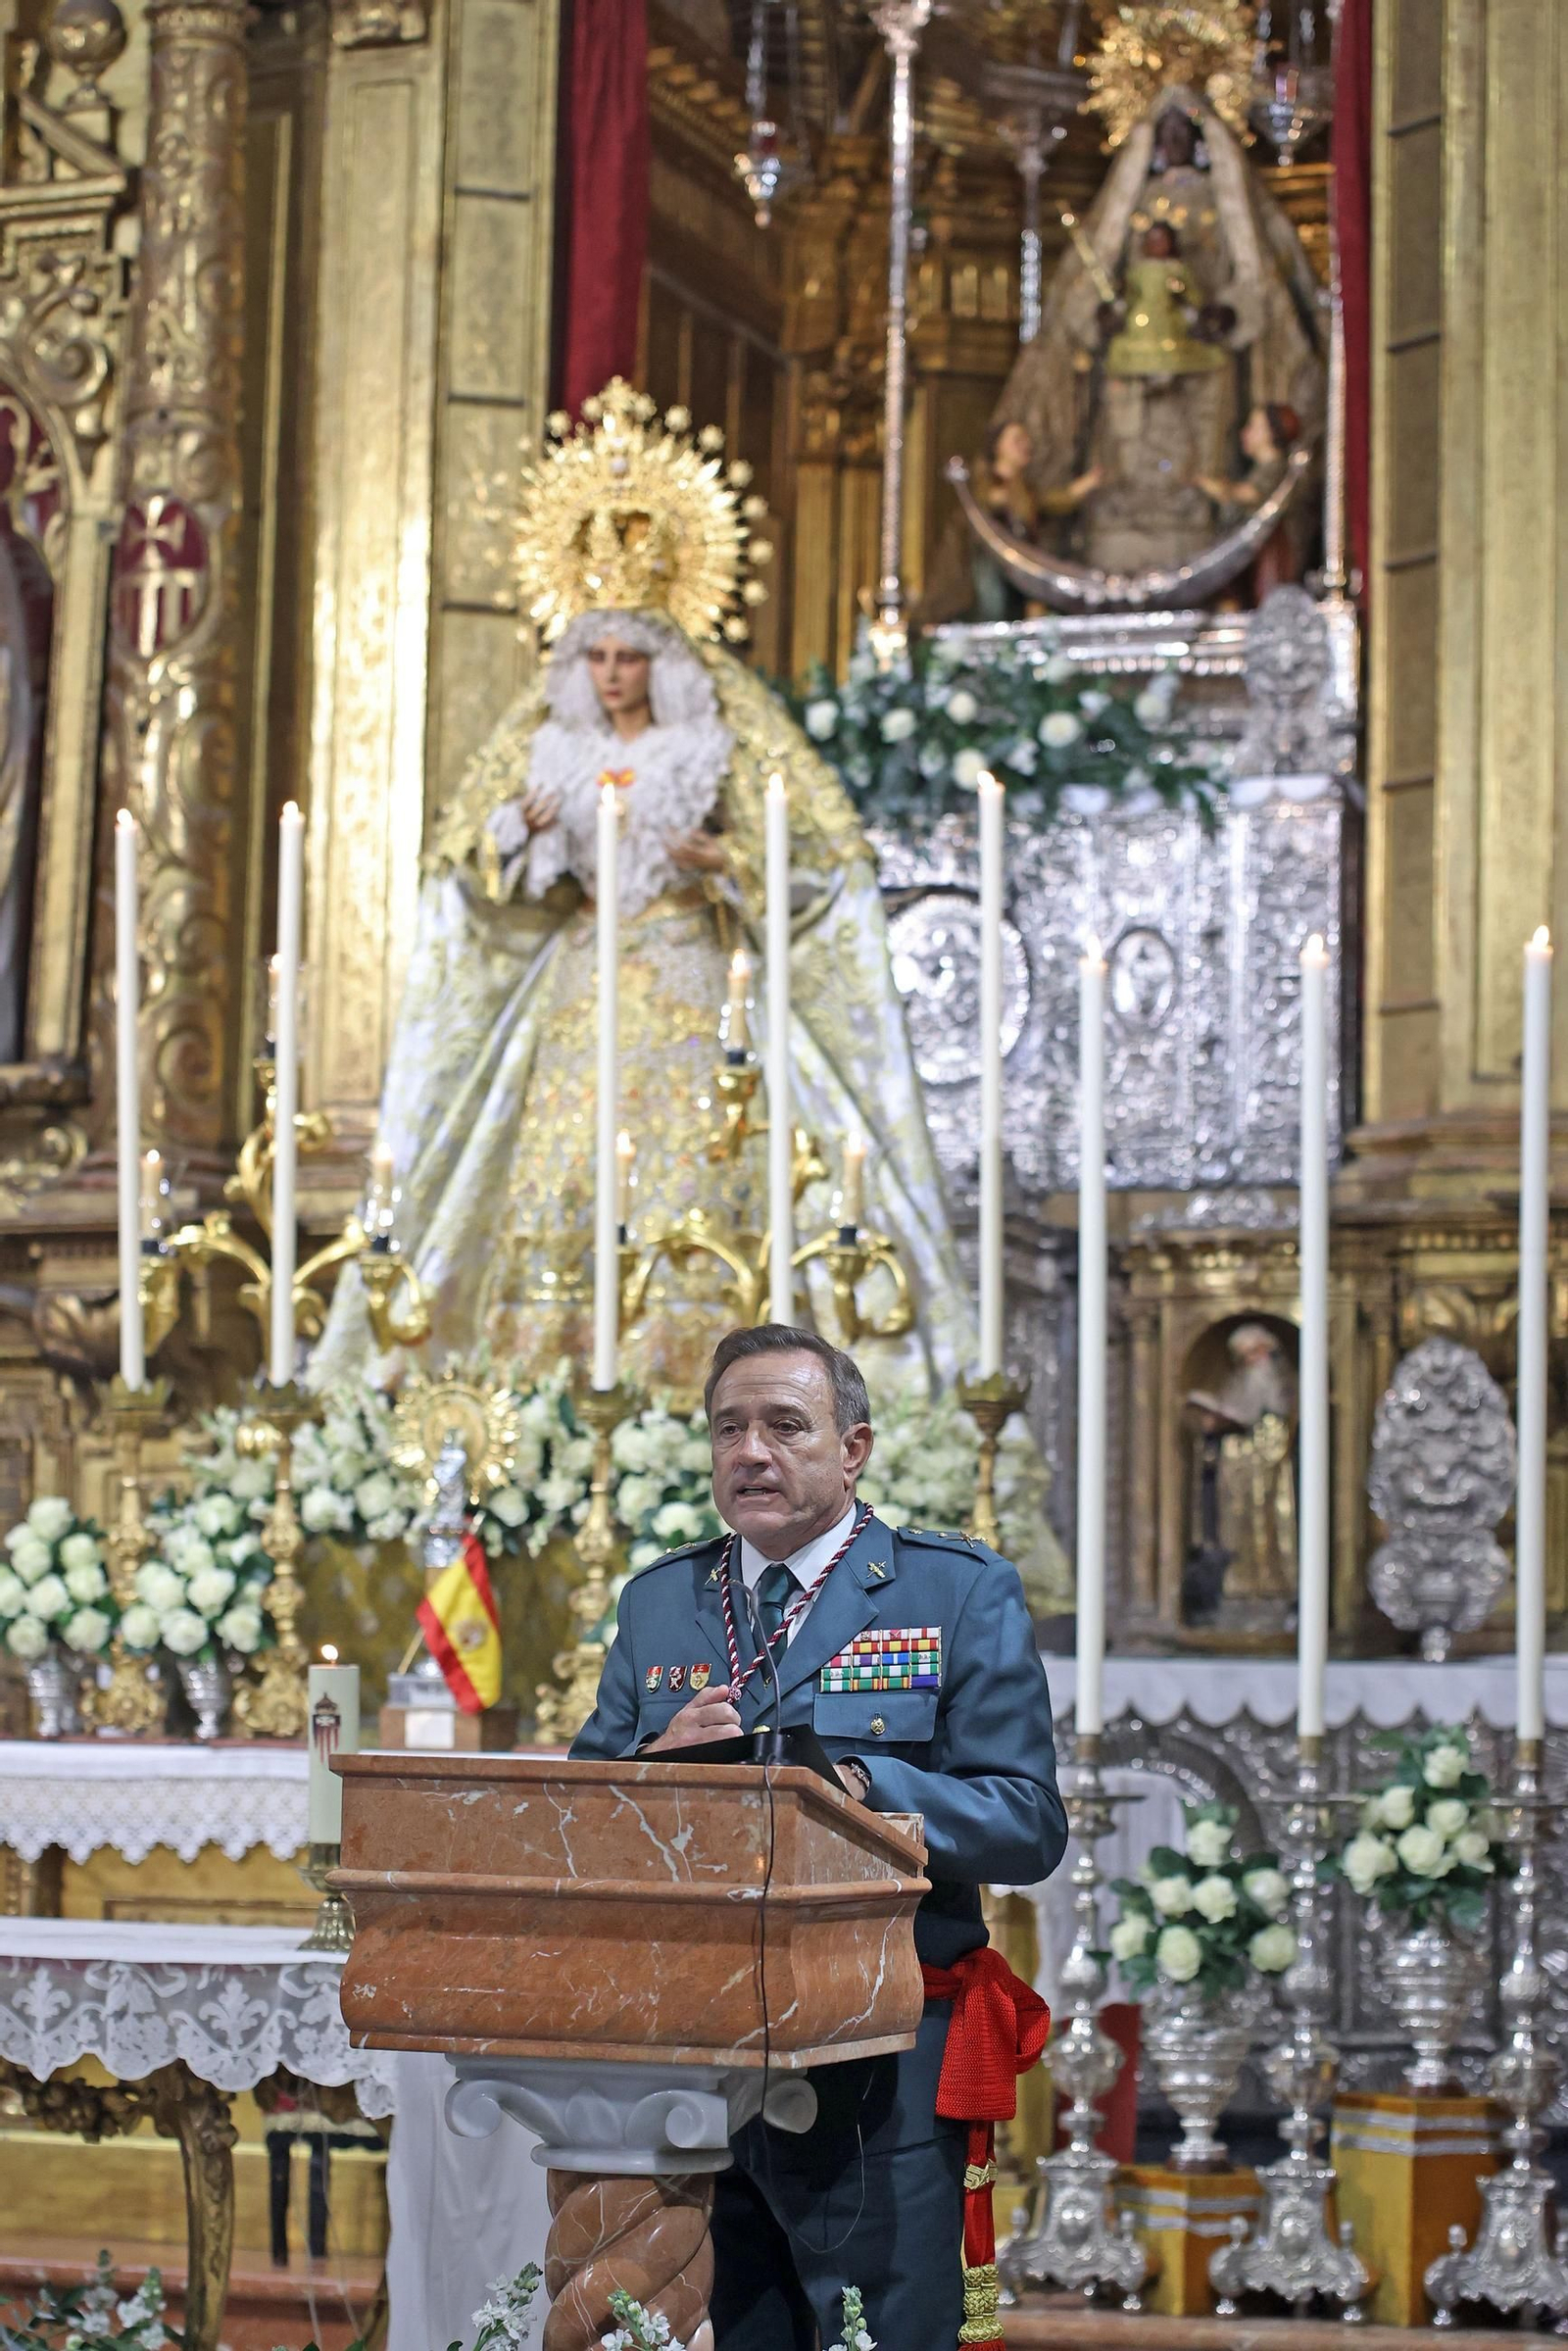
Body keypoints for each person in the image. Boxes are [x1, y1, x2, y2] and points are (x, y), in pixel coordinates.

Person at [572, 1323, 1068, 2351]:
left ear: (854, 1447)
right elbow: (580, 1821)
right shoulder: (661, 1600)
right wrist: (658, 1759)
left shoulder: (951, 1590)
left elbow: (1026, 1821)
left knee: (885, 2331)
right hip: (693, 2055)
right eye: (728, 1428)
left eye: (784, 1425)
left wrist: (861, 1786)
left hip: (877, 2048)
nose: (750, 1450)